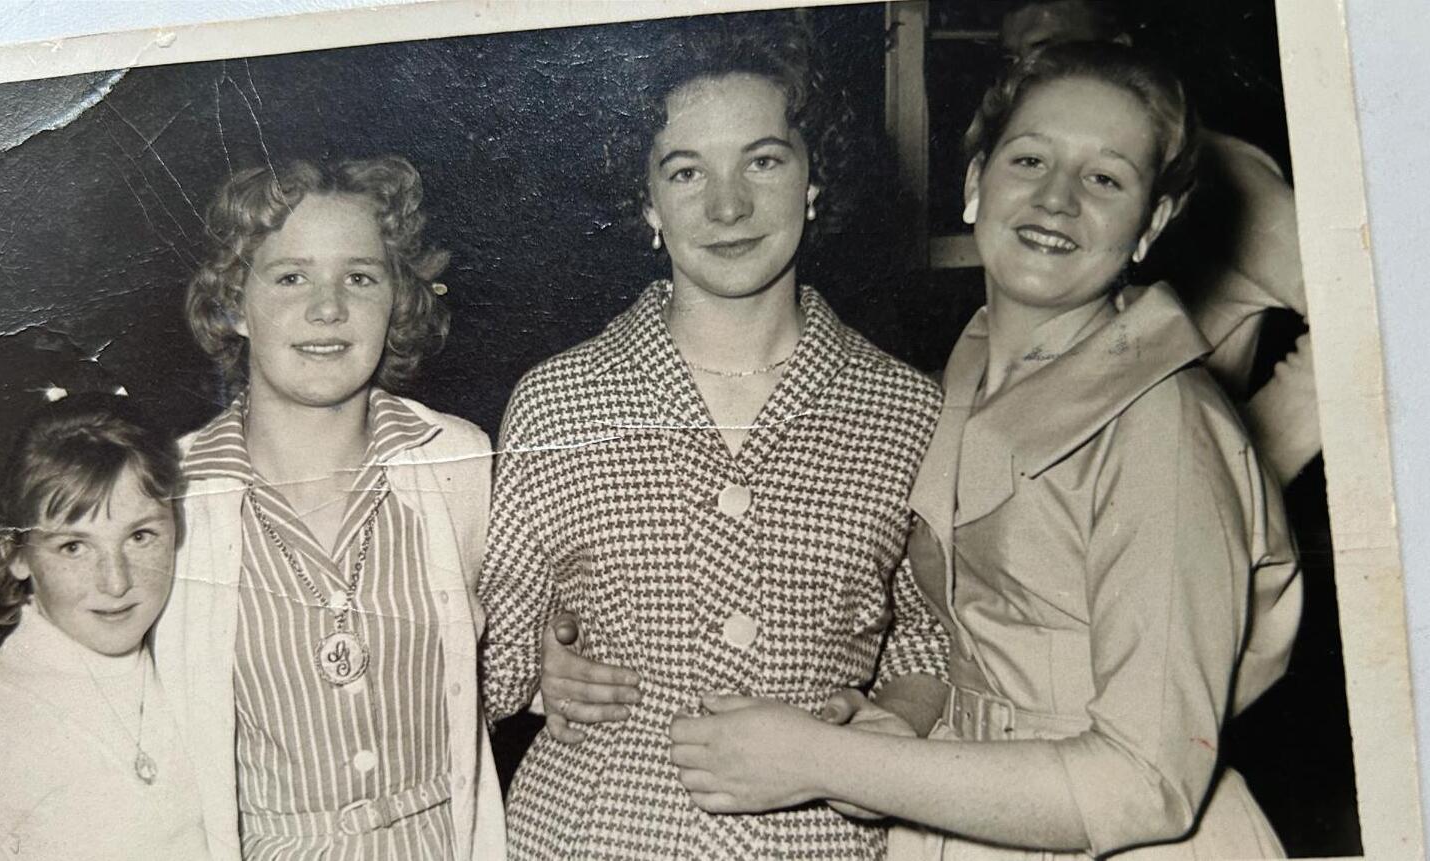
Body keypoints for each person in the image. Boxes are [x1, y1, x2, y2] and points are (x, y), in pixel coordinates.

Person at [668, 42, 1303, 859]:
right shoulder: (968, 374)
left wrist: (824, 760)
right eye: (1029, 159)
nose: (1055, 199)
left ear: (1150, 225)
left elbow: (1146, 781)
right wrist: (896, 723)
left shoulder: (1162, 425)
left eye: (1104, 179)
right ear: (975, 184)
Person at [479, 18, 950, 859]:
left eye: (762, 161)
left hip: (818, 839)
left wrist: (896, 719)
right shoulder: (558, 401)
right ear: (646, 201)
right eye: (685, 170)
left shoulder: (907, 408)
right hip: (595, 834)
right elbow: (485, 658)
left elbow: (931, 628)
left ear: (814, 178)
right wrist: (540, 677)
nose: (727, 206)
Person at [154, 156, 504, 860]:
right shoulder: (170, 494)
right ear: (234, 304)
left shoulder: (458, 462)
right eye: (291, 277)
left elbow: (518, 649)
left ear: (396, 301)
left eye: (360, 277)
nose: (328, 308)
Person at [1001, 0, 1318, 486]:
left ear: (1121, 49)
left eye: (1050, 48)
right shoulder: (1041, 186)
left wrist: (1250, 472)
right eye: (1012, 57)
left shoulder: (1226, 176)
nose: (1029, 71)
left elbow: (1360, 316)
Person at [0, 391, 210, 860]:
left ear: (178, 528)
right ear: (16, 554)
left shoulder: (193, 659)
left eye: (140, 536)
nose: (115, 582)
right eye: (73, 547)